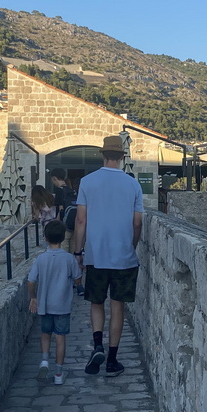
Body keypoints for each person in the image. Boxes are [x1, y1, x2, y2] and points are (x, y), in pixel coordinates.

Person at [73, 134, 144, 377]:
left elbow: (81, 220)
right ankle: (112, 361)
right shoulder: (133, 184)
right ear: (122, 157)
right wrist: (131, 246)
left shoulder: (87, 182)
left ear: (103, 155)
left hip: (96, 255)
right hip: (123, 257)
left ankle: (97, 345)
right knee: (118, 307)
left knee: (96, 303)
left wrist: (78, 252)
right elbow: (137, 223)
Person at [27, 219, 82, 385]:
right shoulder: (68, 259)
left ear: (45, 237)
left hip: (45, 304)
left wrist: (34, 297)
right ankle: (58, 374)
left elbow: (31, 281)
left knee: (45, 334)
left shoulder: (41, 259)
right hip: (62, 306)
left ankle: (44, 361)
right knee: (60, 338)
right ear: (64, 237)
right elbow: (78, 279)